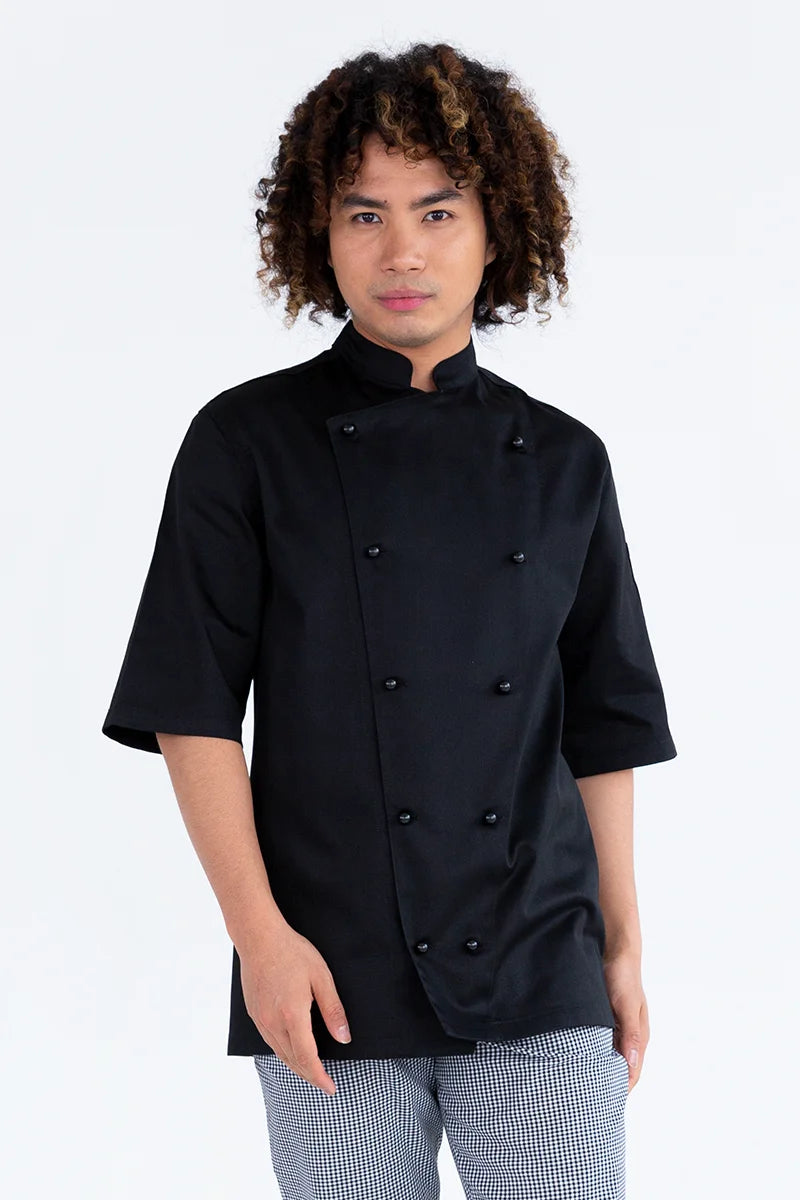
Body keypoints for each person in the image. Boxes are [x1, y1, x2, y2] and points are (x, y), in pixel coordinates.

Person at [102, 40, 678, 1199]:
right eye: (363, 214)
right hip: (327, 963)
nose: (401, 250)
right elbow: (191, 707)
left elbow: (603, 723)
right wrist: (259, 941)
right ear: (317, 235)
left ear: (495, 228)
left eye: (436, 210)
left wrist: (618, 949)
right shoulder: (244, 444)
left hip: (538, 957)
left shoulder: (565, 461)